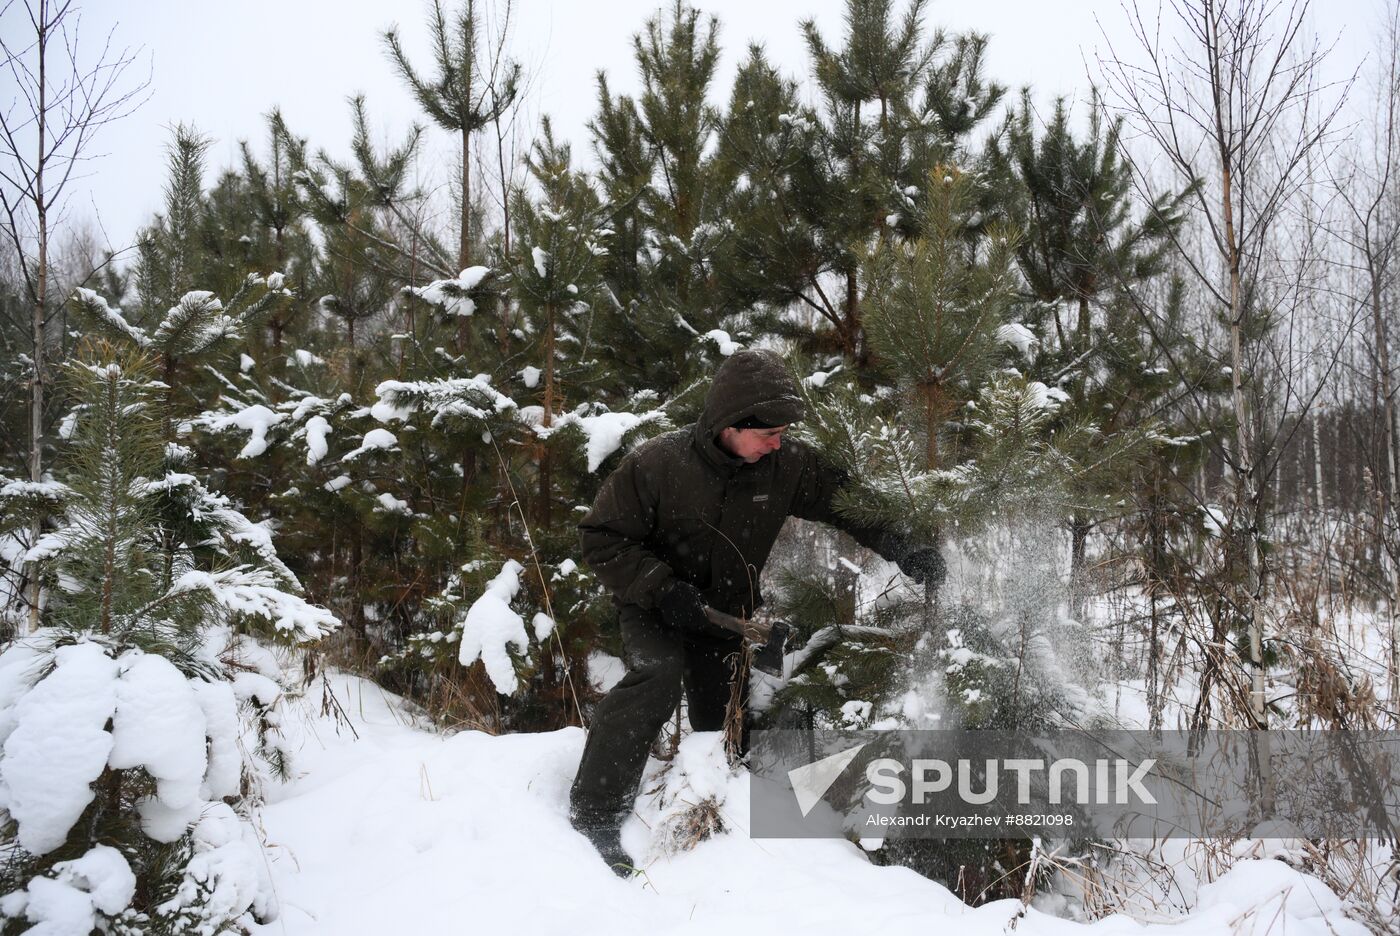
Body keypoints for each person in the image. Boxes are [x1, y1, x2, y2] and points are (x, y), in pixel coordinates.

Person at [569, 348, 943, 875]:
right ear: (730, 424)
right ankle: (596, 814)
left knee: (723, 725)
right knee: (659, 674)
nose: (779, 442)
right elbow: (601, 537)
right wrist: (661, 587)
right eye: (769, 432)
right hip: (654, 605)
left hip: (723, 617)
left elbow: (847, 504)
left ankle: (715, 825)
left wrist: (904, 547)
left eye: (784, 432)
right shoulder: (658, 463)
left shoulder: (786, 466)